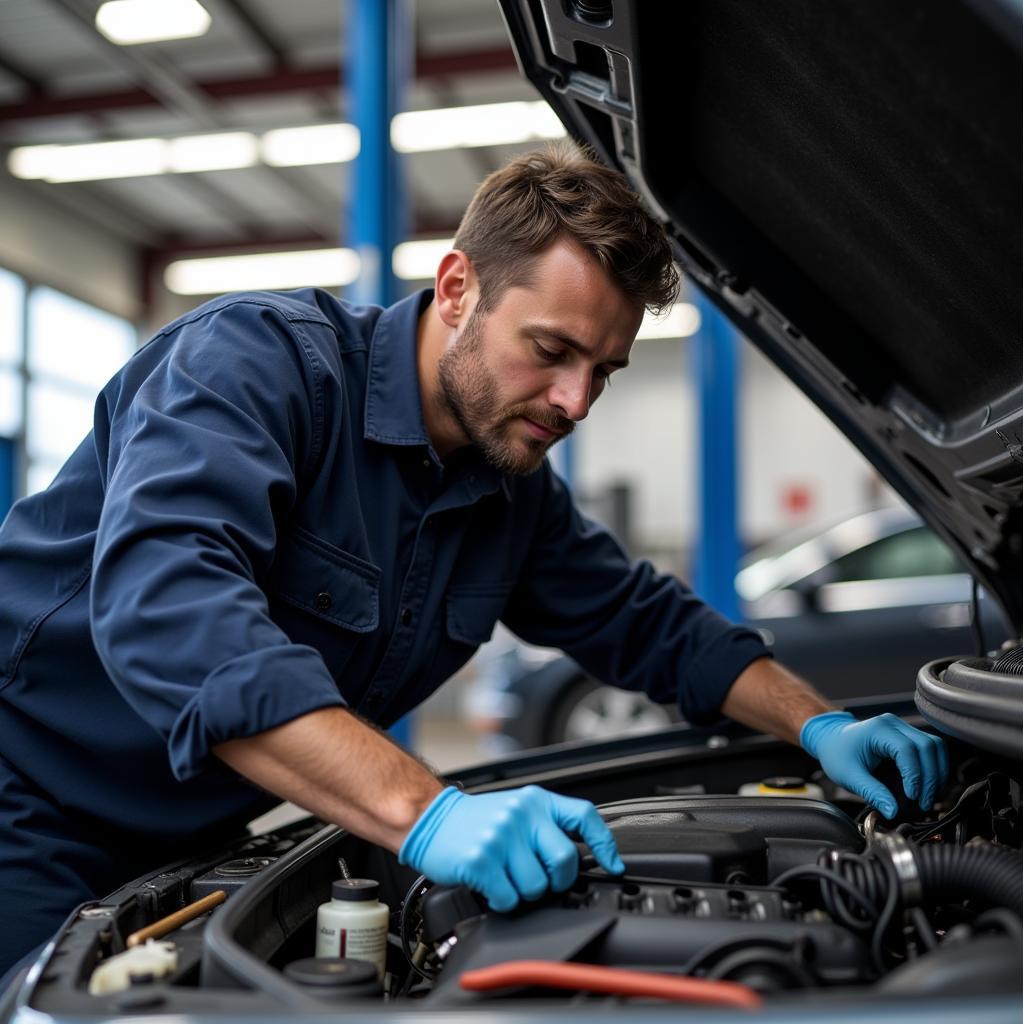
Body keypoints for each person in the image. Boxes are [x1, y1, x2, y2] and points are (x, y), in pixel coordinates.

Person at [0, 144, 946, 986]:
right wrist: (425, 811)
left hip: (193, 841)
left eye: (604, 371)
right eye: (552, 350)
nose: (575, 401)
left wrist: (821, 727)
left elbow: (648, 624)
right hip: (27, 805)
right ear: (458, 288)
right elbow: (172, 608)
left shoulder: (507, 488)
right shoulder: (252, 365)